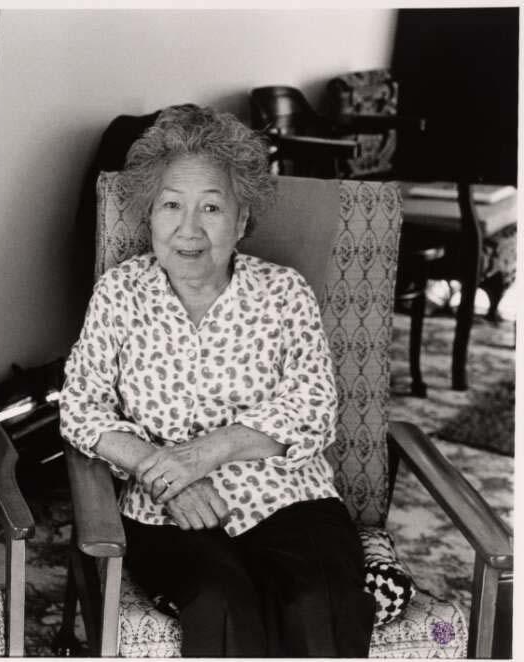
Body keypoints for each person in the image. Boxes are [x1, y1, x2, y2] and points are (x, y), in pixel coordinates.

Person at [60, 105, 375, 656]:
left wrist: (202, 455)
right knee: (219, 604)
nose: (189, 229)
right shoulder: (120, 293)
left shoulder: (283, 292)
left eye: (212, 207)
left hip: (289, 498)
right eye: (171, 206)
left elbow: (314, 408)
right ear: (149, 216)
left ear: (242, 219)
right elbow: (81, 411)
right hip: (168, 509)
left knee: (318, 601)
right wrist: (170, 478)